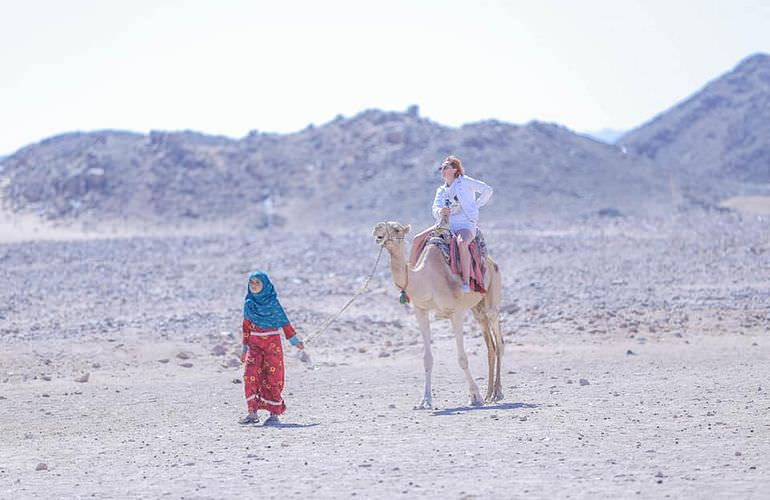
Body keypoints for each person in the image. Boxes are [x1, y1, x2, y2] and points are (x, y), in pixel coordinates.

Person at [409, 155, 493, 292]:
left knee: (461, 243)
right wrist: (441, 211)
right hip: (445, 224)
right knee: (417, 239)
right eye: (441, 167)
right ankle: (411, 277)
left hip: (465, 224)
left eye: (446, 167)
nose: (442, 169)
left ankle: (465, 282)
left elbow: (487, 190)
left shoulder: (465, 182)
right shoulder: (441, 190)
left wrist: (474, 206)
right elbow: (435, 208)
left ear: (455, 169)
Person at [239, 271, 304, 425]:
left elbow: (284, 322)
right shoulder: (249, 304)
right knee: (250, 374)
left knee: (273, 376)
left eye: (257, 283)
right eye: (251, 283)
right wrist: (244, 348)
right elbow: (246, 327)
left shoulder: (273, 303)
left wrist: (294, 340)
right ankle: (252, 413)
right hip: (254, 344)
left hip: (272, 345)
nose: (254, 286)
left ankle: (274, 413)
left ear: (265, 285)